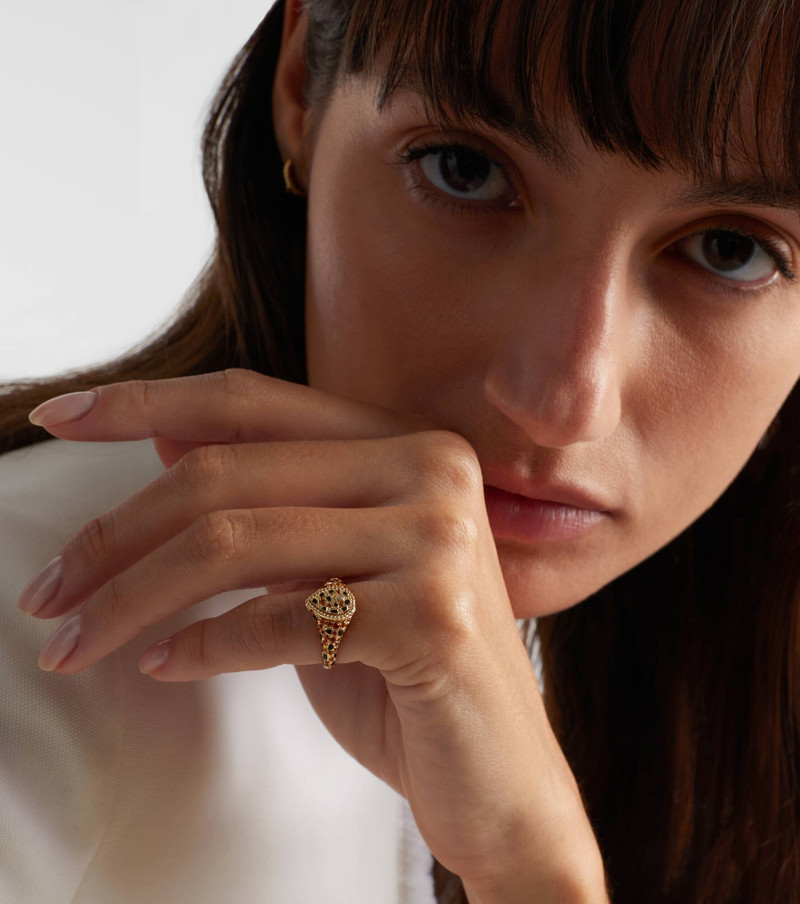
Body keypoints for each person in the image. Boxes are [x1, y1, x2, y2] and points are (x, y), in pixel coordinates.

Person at [1, 0, 798, 900]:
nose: (564, 401)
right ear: (303, 84)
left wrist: (529, 865)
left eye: (731, 251)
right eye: (465, 170)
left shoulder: (721, 709)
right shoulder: (36, 622)